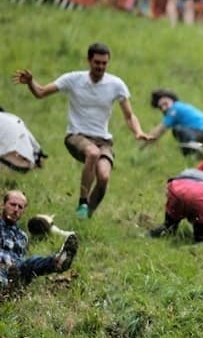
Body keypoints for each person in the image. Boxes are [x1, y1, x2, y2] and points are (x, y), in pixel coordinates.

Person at [13, 42, 151, 218]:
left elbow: (129, 115)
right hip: (76, 136)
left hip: (103, 140)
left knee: (104, 177)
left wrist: (138, 131)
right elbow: (41, 93)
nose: (100, 67)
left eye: (104, 63)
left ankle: (86, 216)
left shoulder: (116, 84)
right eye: (97, 62)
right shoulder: (73, 79)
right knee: (92, 153)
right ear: (89, 61)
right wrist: (31, 82)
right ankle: (82, 203)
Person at [1, 190, 78, 292]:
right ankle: (7, 288)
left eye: (20, 207)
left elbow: (21, 259)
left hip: (15, 271)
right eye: (13, 205)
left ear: (23, 212)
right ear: (3, 205)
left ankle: (58, 262)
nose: (16, 209)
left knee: (31, 263)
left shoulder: (22, 237)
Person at [148, 168, 203, 242]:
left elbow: (169, 190)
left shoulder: (191, 170)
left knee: (168, 229)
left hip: (179, 187)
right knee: (202, 238)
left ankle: (146, 235)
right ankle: (202, 239)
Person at [146, 90, 203, 156]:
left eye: (165, 104)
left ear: (172, 100)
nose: (164, 108)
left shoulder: (175, 108)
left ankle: (194, 146)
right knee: (184, 145)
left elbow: (160, 129)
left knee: (178, 130)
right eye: (161, 107)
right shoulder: (180, 107)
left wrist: (144, 143)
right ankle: (196, 153)